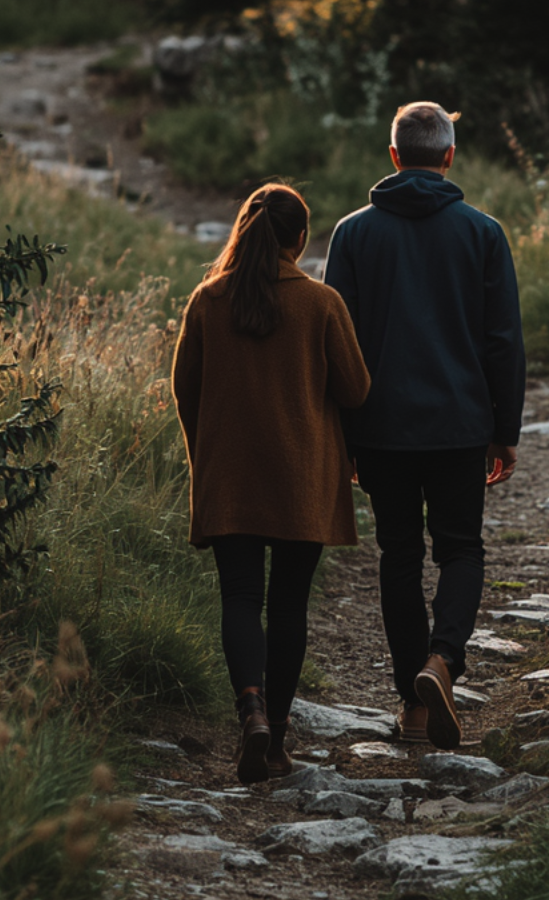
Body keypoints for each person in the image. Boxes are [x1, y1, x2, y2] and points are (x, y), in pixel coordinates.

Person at [323, 101, 526, 751]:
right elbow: (502, 341)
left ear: (393, 157)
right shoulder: (482, 232)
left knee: (399, 558)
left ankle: (412, 709)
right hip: (462, 425)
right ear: (448, 157)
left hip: (382, 430)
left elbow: (339, 347)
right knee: (462, 549)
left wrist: (346, 434)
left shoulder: (352, 235)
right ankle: (442, 660)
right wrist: (507, 428)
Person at [172, 184, 371, 783]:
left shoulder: (208, 300)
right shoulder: (322, 303)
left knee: (239, 598)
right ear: (301, 239)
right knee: (287, 604)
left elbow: (185, 389)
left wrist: (204, 455)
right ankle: (277, 739)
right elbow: (357, 390)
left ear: (243, 230)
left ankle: (251, 712)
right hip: (300, 479)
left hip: (230, 475)